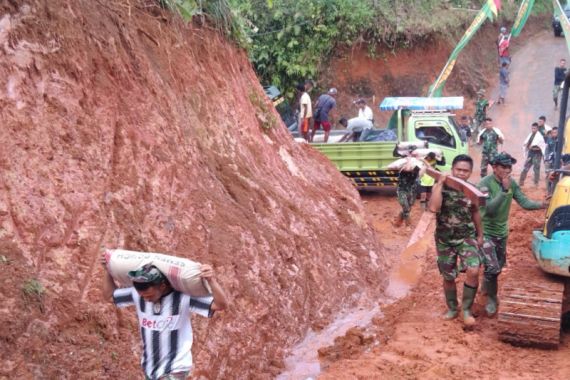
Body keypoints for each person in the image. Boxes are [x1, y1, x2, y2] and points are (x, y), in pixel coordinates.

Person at [102, 260, 229, 379]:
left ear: (162, 286)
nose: (146, 299)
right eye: (143, 296)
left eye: (150, 295)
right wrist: (108, 271)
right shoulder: (137, 295)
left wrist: (211, 281)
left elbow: (220, 305)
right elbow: (109, 296)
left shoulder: (182, 298)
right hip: (150, 368)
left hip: (176, 367)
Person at [478, 153, 546, 316]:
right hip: (485, 232)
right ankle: (492, 299)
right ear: (494, 168)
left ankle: (486, 285)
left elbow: (524, 202)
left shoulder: (512, 184)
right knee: (493, 268)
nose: (507, 170)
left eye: (509, 167)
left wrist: (542, 205)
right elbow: (489, 210)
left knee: (498, 267)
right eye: (503, 167)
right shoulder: (484, 184)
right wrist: (503, 190)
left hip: (502, 233)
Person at [429, 155, 483, 326]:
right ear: (452, 169)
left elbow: (475, 212)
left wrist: (480, 234)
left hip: (466, 237)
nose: (461, 173)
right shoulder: (441, 187)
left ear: (470, 172)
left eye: (465, 171)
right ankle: (453, 308)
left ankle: (466, 309)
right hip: (445, 239)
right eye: (458, 169)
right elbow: (434, 208)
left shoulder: (471, 190)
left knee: (473, 270)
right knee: (448, 276)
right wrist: (439, 184)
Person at [394, 162, 421, 227]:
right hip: (402, 191)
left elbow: (421, 169)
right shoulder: (403, 172)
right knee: (406, 208)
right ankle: (408, 225)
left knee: (408, 208)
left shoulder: (416, 172)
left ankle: (398, 223)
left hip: (412, 191)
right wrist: (409, 160)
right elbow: (407, 168)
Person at [520, 122, 546, 187]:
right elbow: (527, 143)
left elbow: (542, 147)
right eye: (532, 128)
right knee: (525, 167)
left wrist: (534, 148)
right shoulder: (530, 135)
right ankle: (521, 182)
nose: (533, 130)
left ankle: (536, 183)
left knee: (536, 168)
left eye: (534, 128)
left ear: (537, 129)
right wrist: (527, 146)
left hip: (537, 155)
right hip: (530, 154)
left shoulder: (540, 137)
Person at [545, 127, 559, 194]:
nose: (554, 134)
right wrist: (546, 158)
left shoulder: (562, 140)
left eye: (555, 132)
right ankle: (548, 192)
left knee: (556, 175)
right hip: (549, 160)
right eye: (553, 132)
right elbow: (547, 149)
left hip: (558, 161)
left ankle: (554, 192)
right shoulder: (549, 139)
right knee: (548, 175)